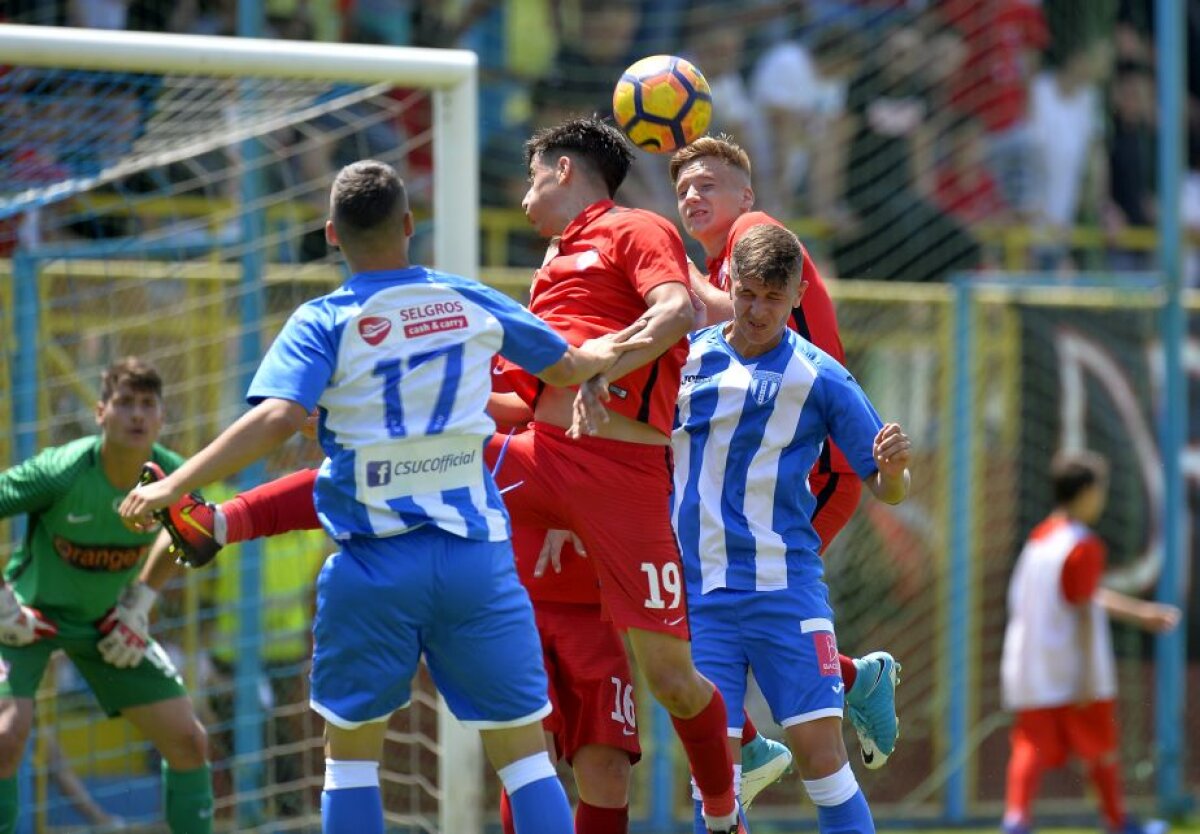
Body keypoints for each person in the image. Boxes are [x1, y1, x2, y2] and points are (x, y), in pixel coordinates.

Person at [135, 122, 745, 834]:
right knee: (525, 755)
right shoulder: (474, 297)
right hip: (483, 542)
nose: (522, 200)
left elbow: (277, 419)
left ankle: (729, 795)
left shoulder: (323, 318)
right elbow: (554, 376)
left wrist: (175, 486)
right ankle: (222, 521)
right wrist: (582, 369)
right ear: (410, 223)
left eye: (530, 179)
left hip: (417, 546)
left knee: (356, 758)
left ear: (332, 234)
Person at [649, 222, 911, 834]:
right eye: (746, 293)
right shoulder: (685, 359)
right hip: (701, 595)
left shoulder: (821, 377)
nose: (757, 308)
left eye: (773, 296)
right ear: (728, 286)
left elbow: (885, 486)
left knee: (825, 763)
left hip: (785, 590)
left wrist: (895, 472)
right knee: (714, 782)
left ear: (796, 296)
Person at [0, 356, 214, 834]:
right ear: (101, 412)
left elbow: (188, 534)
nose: (136, 415)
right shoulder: (61, 471)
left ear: (161, 417)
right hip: (26, 621)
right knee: (6, 737)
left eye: (147, 404)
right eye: (124, 403)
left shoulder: (172, 476)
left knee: (188, 742)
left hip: (108, 625)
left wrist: (141, 600)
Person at [999, 451, 1179, 834]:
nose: (1102, 498)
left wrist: (1139, 613)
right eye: (1100, 490)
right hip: (1072, 667)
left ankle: (1016, 819)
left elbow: (1083, 595)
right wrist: (1083, 674)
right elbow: (1082, 610)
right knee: (1101, 747)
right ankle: (1118, 822)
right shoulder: (1083, 545)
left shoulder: (1040, 540)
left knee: (1030, 745)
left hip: (1032, 664)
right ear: (1085, 493)